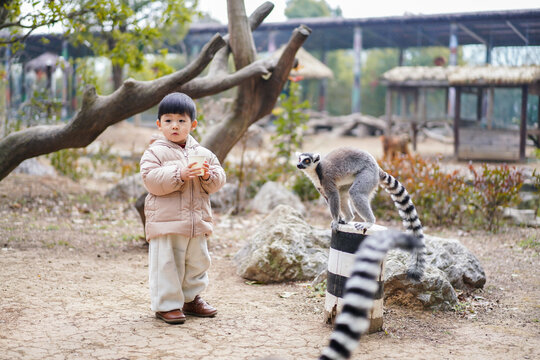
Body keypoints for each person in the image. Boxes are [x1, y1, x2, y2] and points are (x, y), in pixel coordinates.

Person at [140, 92, 226, 324]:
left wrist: (208, 175)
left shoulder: (204, 153)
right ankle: (166, 305)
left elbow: (219, 179)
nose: (174, 126)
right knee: (167, 263)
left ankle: (190, 298)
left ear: (193, 124)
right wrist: (180, 172)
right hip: (166, 223)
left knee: (197, 261)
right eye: (168, 121)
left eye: (181, 120)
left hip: (196, 221)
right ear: (159, 124)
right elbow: (150, 180)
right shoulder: (155, 152)